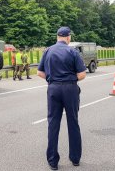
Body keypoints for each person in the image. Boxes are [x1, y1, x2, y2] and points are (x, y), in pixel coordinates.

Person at [37, 26, 86, 170]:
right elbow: (82, 74)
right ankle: (75, 158)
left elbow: (40, 73)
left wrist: (53, 80)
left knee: (53, 123)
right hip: (70, 88)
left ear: (57, 36)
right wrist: (69, 80)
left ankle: (53, 161)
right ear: (68, 37)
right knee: (73, 122)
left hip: (53, 88)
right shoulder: (73, 51)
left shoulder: (48, 51)